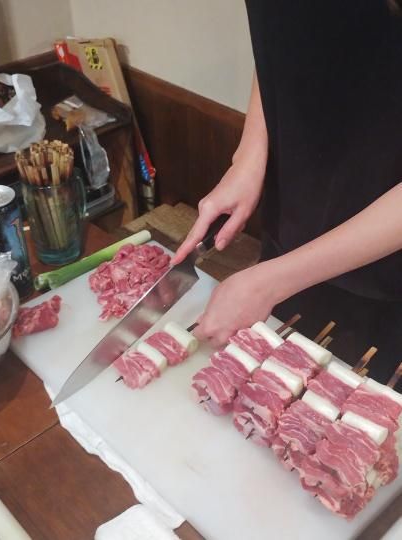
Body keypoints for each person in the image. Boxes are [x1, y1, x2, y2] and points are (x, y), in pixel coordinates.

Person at [172, 1, 402, 387]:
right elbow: (281, 40)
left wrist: (274, 280)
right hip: (290, 242)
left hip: (387, 280)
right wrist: (249, 156)